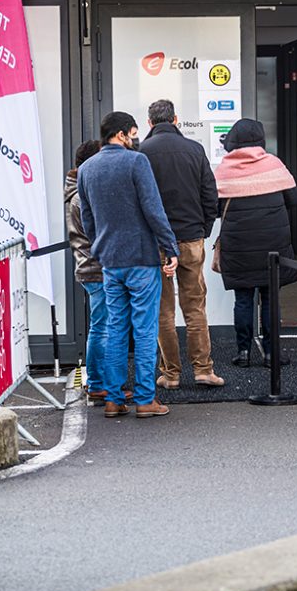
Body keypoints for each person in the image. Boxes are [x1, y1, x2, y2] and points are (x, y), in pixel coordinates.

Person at [78, 111, 179, 419]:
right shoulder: (136, 162)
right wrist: (169, 246)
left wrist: (100, 246)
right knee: (145, 329)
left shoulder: (86, 168)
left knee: (115, 328)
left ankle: (112, 398)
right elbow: (153, 208)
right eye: (133, 134)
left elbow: (87, 217)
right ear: (121, 134)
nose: (135, 139)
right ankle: (146, 400)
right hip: (140, 257)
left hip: (109, 260)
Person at [140, 99, 225, 389]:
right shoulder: (195, 149)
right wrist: (204, 229)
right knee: (195, 307)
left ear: (150, 123)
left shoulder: (142, 152)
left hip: (156, 242)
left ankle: (171, 374)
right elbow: (209, 194)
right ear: (176, 119)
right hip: (191, 239)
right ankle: (203, 370)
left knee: (163, 310)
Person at [213, 119, 297, 367]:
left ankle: (243, 352)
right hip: (273, 244)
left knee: (243, 299)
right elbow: (294, 198)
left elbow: (215, 207)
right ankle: (272, 353)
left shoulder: (224, 170)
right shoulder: (274, 164)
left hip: (238, 244)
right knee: (271, 299)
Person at [65, 139, 128, 404]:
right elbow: (97, 234)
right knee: (102, 327)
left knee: (101, 326)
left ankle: (99, 381)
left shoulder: (76, 190)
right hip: (96, 268)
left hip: (90, 266)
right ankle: (99, 383)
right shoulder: (82, 195)